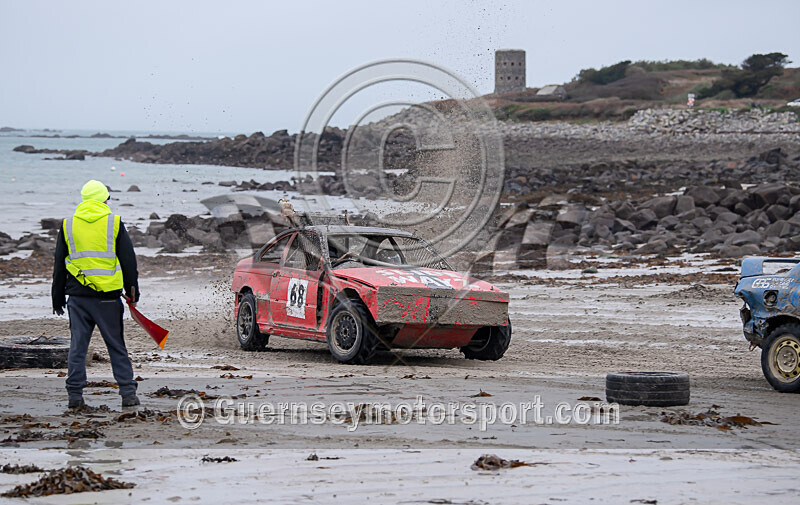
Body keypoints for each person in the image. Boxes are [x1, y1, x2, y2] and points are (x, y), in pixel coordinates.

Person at [51, 180, 141, 409]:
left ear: (83, 199)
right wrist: (133, 291)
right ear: (105, 199)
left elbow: (59, 264)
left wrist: (57, 297)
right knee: (116, 346)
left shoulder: (68, 224)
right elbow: (129, 262)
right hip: (108, 299)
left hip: (77, 299)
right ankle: (128, 394)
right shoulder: (114, 223)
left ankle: (74, 396)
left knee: (77, 347)